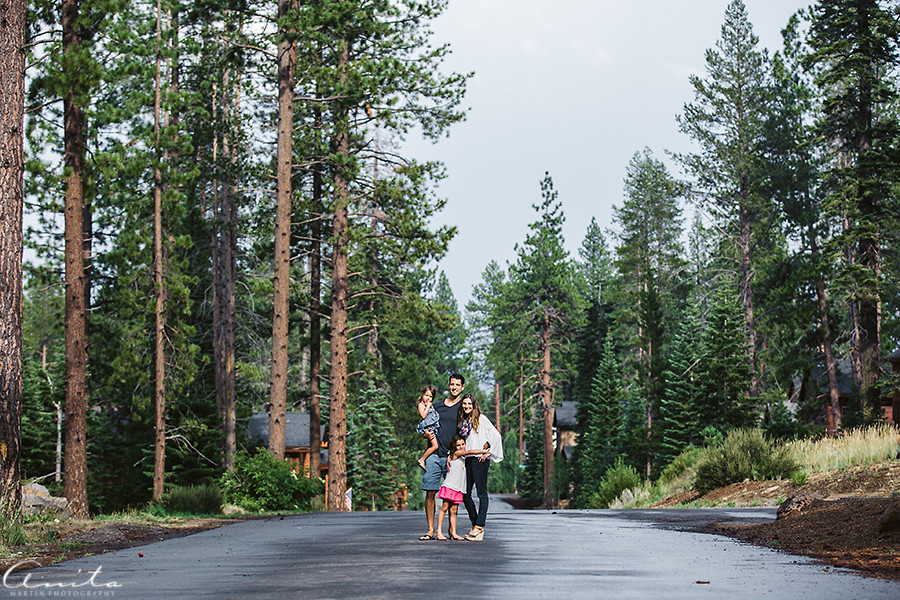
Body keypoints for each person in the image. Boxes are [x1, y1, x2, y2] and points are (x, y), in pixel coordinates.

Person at [419, 373, 466, 541]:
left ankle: (451, 531)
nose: (454, 387)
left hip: (452, 457)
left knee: (452, 496)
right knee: (430, 492)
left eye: (457, 385)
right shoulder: (437, 405)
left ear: (462, 387)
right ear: (448, 385)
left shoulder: (463, 407)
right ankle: (430, 530)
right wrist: (425, 434)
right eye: (452, 384)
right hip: (433, 454)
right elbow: (424, 423)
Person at [457, 393, 503, 541]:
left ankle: (479, 526)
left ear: (474, 405)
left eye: (469, 404)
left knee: (481, 493)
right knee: (465, 494)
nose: (467, 406)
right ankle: (476, 524)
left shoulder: (481, 419)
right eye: (464, 404)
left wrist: (489, 452)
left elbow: (496, 436)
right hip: (467, 459)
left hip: (480, 460)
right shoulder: (463, 421)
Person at [435, 436, 490, 540]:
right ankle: (439, 531)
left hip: (458, 488)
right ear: (454, 447)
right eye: (458, 445)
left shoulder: (463, 458)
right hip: (450, 485)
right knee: (444, 508)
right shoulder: (456, 454)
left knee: (454, 510)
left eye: (463, 444)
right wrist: (484, 451)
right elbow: (470, 451)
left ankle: (453, 533)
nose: (461, 447)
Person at [415, 385, 440, 470]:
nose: (428, 398)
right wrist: (428, 406)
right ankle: (422, 459)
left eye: (430, 396)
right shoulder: (421, 404)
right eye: (426, 395)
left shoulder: (430, 405)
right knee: (435, 446)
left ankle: (425, 460)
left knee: (431, 445)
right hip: (427, 427)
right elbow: (423, 415)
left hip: (432, 426)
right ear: (422, 394)